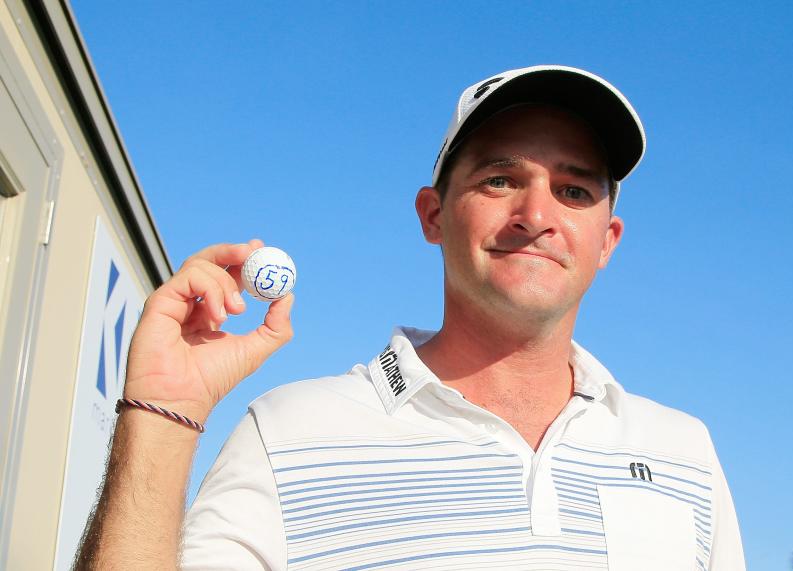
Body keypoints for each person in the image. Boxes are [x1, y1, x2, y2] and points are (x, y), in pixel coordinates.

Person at [76, 65, 746, 570]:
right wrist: (161, 415)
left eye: (573, 190)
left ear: (607, 240)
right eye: (500, 179)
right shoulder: (288, 434)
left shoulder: (684, 451)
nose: (537, 215)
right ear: (432, 214)